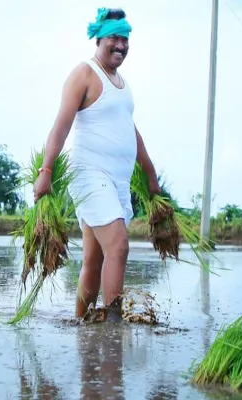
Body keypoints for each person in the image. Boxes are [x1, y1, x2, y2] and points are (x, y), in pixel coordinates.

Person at [32, 7, 161, 321]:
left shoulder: (122, 83)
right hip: (90, 175)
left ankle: (81, 324)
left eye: (125, 38)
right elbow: (61, 126)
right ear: (99, 37)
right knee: (118, 246)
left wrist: (150, 173)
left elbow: (130, 129)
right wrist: (45, 171)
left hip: (116, 182)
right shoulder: (84, 74)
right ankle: (112, 325)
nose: (120, 45)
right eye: (114, 38)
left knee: (94, 258)